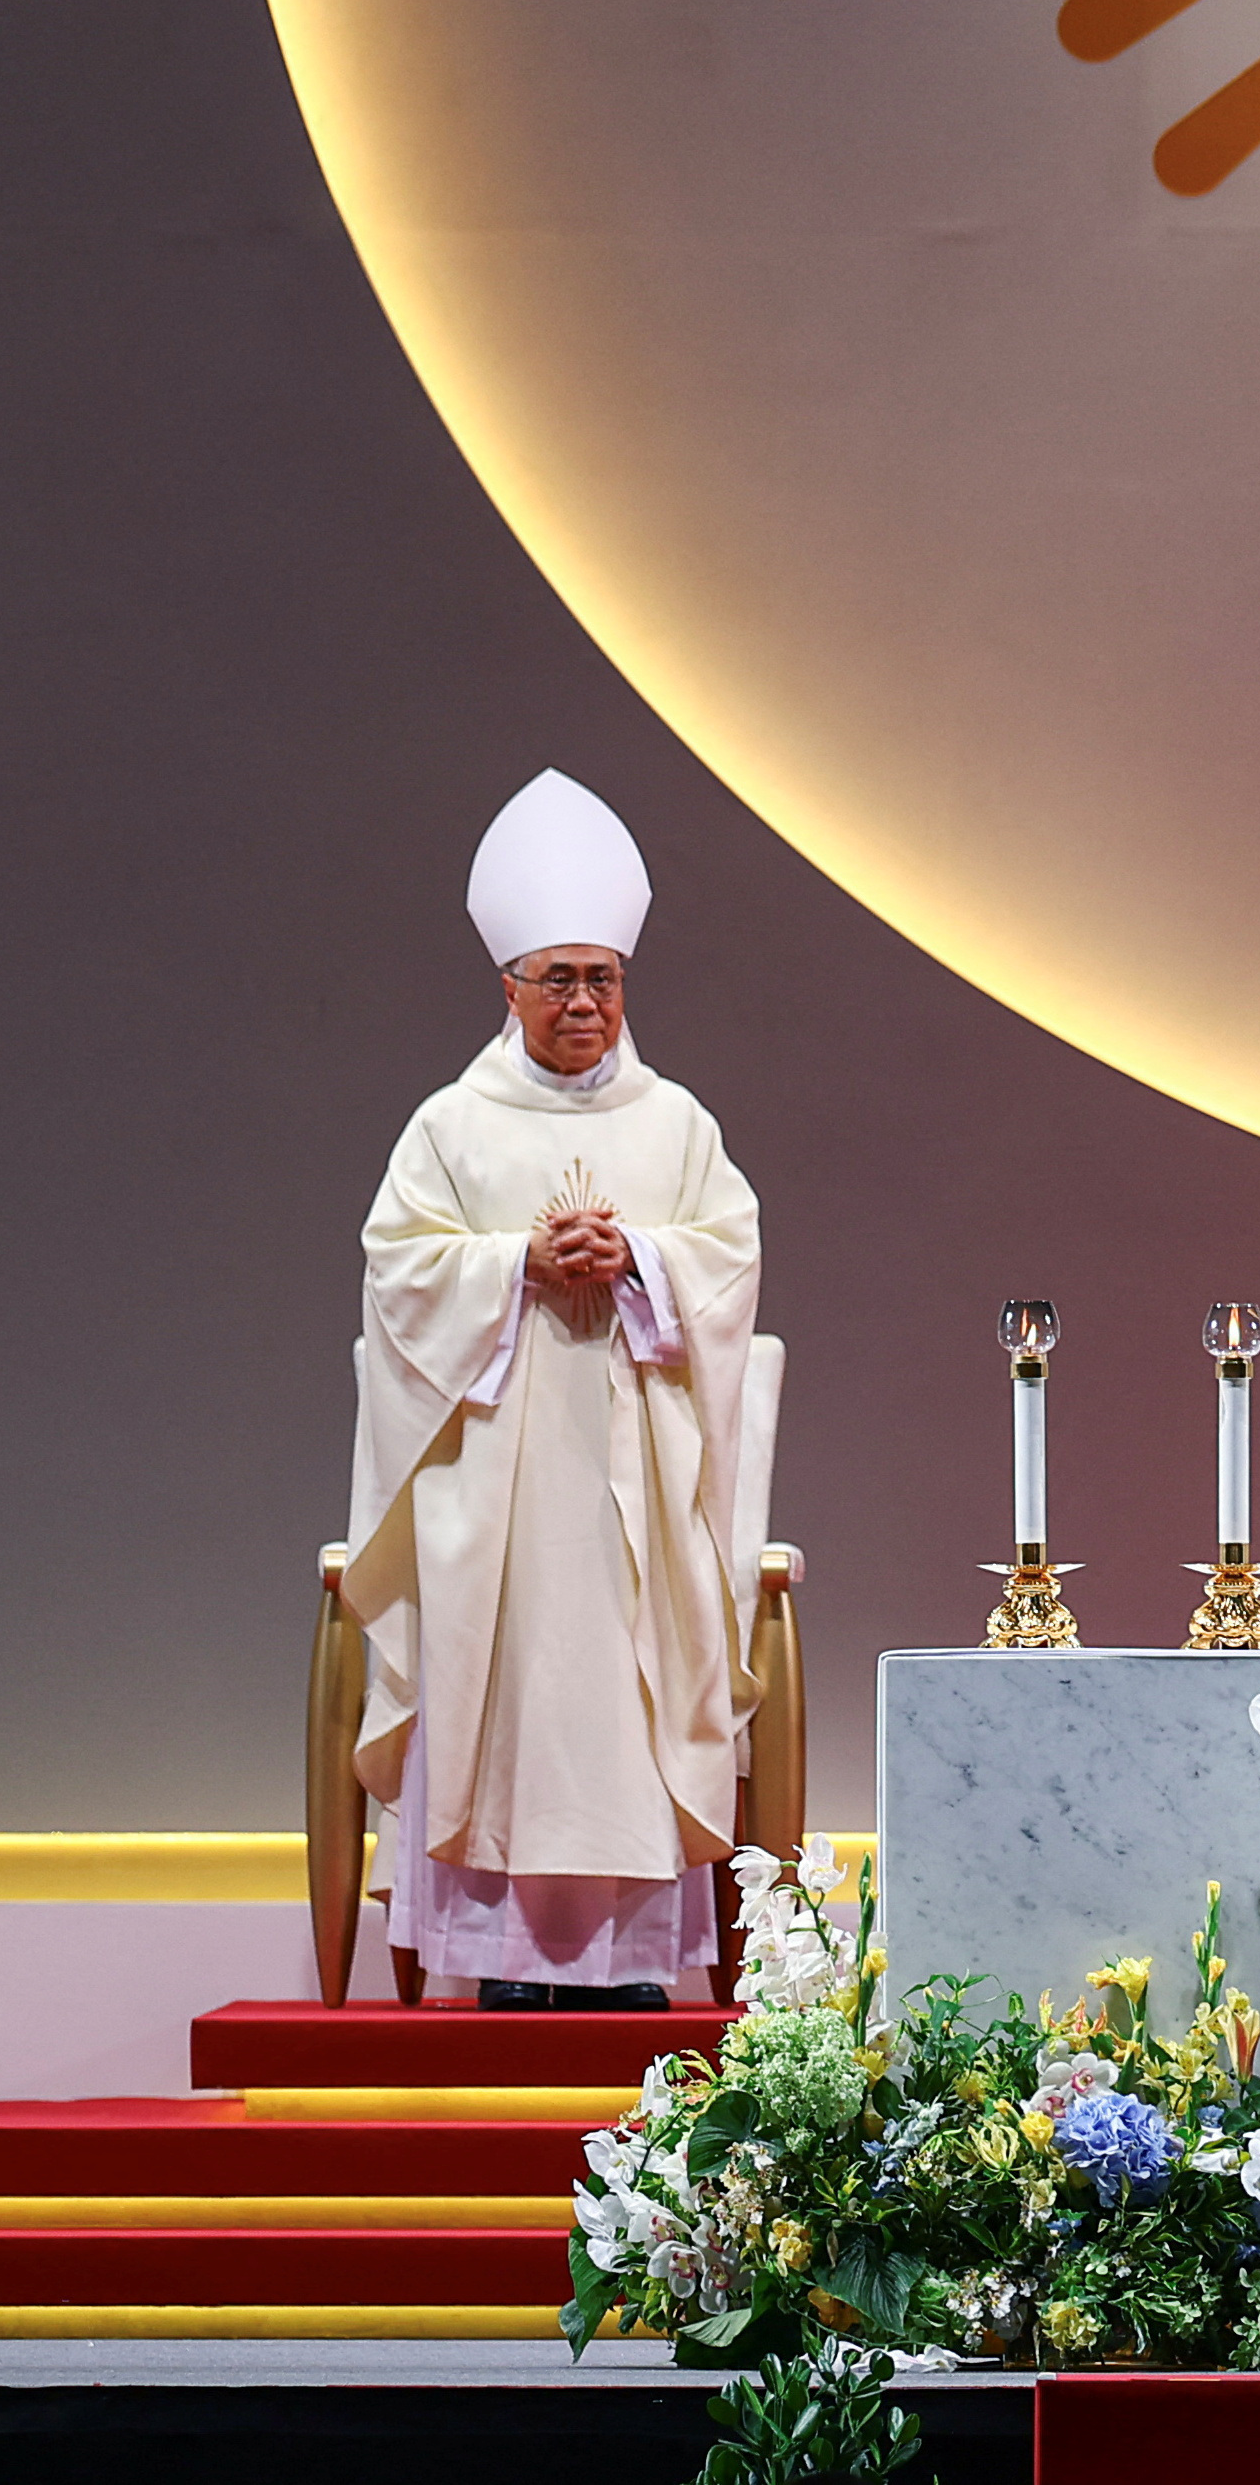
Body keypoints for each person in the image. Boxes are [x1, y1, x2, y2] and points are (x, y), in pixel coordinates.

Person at [345, 771, 765, 2009]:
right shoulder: (451, 1127)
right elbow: (398, 1270)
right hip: (502, 1489)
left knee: (630, 1684)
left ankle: (635, 1972)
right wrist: (513, 1261)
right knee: (507, 1682)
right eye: (560, 977)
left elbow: (731, 1259)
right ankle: (496, 1964)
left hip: (635, 1474)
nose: (585, 1000)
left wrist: (641, 1253)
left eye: (604, 977)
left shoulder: (678, 1125)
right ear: (510, 987)